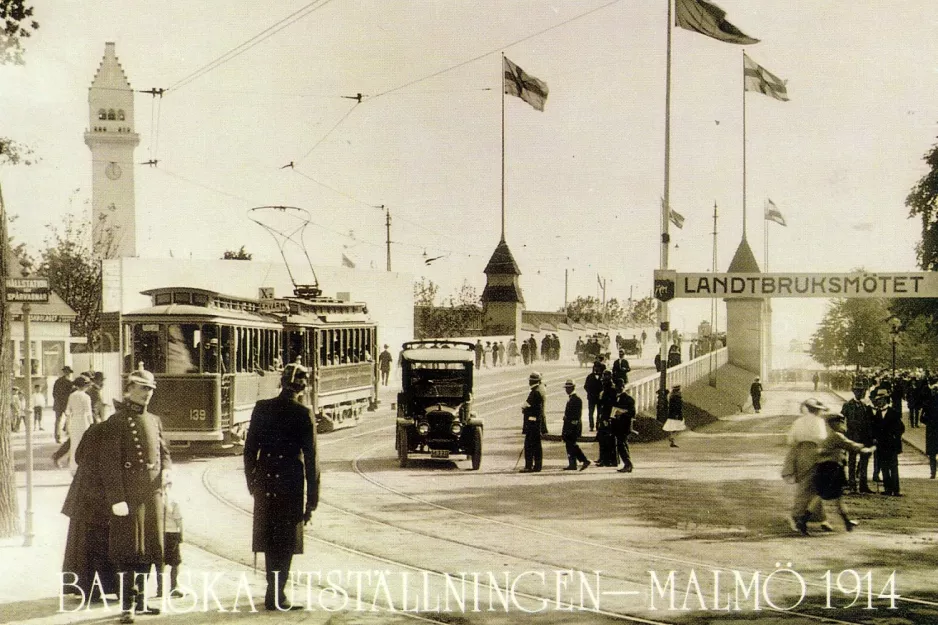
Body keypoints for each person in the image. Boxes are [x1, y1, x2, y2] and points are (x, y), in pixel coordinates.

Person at [244, 363, 319, 610]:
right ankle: (277, 594)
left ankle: (271, 591)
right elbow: (311, 459)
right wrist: (312, 499)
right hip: (290, 484)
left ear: (282, 382)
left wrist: (252, 483)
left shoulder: (262, 408)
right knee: (285, 541)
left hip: (265, 483)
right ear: (303, 387)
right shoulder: (303, 413)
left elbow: (249, 450)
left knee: (269, 537)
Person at [99, 369, 171, 624]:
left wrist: (168, 471)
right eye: (142, 388)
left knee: (151, 548)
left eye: (150, 389)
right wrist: (116, 498)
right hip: (129, 495)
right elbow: (108, 464)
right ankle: (127, 605)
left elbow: (164, 452)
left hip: (152, 493)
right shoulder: (116, 421)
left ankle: (141, 601)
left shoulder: (154, 420)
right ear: (129, 389)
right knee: (129, 549)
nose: (148, 393)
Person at [61, 419, 118, 603]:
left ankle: (84, 588)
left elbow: (78, 456)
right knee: (100, 545)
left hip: (82, 494)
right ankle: (103, 588)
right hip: (99, 496)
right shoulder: (115, 431)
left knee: (81, 544)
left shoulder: (95, 428)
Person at [801, 413, 875, 535]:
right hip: (831, 469)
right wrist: (868, 449)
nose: (843, 425)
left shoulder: (830, 436)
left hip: (827, 469)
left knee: (833, 496)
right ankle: (804, 521)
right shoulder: (837, 436)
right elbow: (852, 446)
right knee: (824, 496)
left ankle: (846, 522)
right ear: (835, 424)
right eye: (841, 422)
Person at [783, 398, 832, 534]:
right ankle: (796, 516)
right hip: (815, 453)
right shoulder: (819, 422)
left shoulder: (798, 421)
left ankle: (821, 518)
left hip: (800, 454)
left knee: (809, 485)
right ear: (816, 410)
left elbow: (791, 440)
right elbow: (823, 439)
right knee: (811, 486)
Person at [842, 382, 874, 493]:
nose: (860, 393)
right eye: (858, 391)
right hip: (852, 437)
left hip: (864, 438)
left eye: (862, 391)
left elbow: (870, 422)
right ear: (854, 392)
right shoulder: (847, 405)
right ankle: (852, 485)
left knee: (864, 462)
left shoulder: (866, 406)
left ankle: (863, 485)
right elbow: (842, 422)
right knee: (852, 462)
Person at [871, 387, 904, 496]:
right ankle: (887, 489)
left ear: (885, 400)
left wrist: (895, 437)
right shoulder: (877, 414)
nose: (878, 402)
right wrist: (874, 438)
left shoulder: (894, 413)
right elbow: (874, 428)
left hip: (892, 445)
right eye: (877, 400)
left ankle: (896, 489)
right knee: (884, 467)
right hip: (881, 445)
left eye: (880, 400)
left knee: (893, 467)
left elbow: (901, 428)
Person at [156, 482, 184, 599]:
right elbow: (179, 519)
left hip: (163, 533)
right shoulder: (173, 500)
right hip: (170, 533)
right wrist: (181, 534)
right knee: (174, 561)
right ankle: (173, 587)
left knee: (163, 562)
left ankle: (164, 588)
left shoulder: (156, 501)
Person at [64, 375, 95, 475]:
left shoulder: (72, 395)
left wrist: (68, 423)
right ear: (85, 386)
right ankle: (83, 468)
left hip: (74, 421)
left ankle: (73, 469)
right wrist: (92, 425)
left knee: (74, 444)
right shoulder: (86, 397)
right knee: (84, 445)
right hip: (83, 421)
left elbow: (67, 411)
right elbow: (88, 412)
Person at [561, 380, 590, 471]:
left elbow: (577, 415)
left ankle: (584, 460)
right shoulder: (571, 398)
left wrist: (569, 422)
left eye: (568, 388)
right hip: (569, 425)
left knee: (572, 445)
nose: (566, 390)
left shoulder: (576, 399)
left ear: (572, 388)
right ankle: (572, 464)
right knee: (570, 445)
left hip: (572, 426)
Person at [520, 372, 545, 473]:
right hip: (536, 423)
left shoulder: (535, 392)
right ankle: (537, 466)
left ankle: (528, 466)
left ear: (532, 381)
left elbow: (526, 406)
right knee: (537, 446)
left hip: (532, 423)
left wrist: (525, 410)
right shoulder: (540, 390)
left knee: (529, 445)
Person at [612, 378, 636, 472]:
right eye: (617, 386)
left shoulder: (629, 399)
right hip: (618, 425)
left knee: (622, 445)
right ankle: (627, 464)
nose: (618, 388)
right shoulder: (616, 398)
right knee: (622, 445)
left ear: (623, 387)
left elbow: (632, 413)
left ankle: (628, 464)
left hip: (624, 425)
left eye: (620, 387)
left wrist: (621, 413)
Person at [595, 371, 617, 467]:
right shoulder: (605, 390)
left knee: (608, 439)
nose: (603, 382)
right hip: (603, 417)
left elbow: (608, 405)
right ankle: (603, 458)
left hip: (607, 418)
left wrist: (606, 418)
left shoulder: (611, 390)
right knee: (602, 438)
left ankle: (608, 460)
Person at [53, 366, 75, 444]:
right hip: (66, 404)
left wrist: (57, 400)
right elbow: (71, 393)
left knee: (58, 420)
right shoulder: (70, 382)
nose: (68, 374)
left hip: (58, 404)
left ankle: (57, 437)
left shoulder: (57, 381)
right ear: (67, 372)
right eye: (68, 372)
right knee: (69, 419)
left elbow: (54, 393)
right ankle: (67, 433)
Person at [922, 384, 938, 478]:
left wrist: (928, 421)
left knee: (932, 454)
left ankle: (933, 473)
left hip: (931, 430)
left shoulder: (928, 402)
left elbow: (922, 418)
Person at [583, 363, 603, 432]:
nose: (596, 369)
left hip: (600, 398)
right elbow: (585, 386)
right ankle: (591, 426)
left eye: (598, 368)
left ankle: (598, 425)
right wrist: (589, 392)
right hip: (591, 397)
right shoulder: (590, 376)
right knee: (591, 412)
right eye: (595, 368)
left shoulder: (602, 377)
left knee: (599, 413)